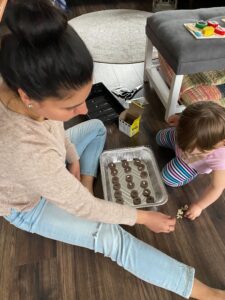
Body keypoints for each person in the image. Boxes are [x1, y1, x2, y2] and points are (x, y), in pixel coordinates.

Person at [0, 1, 224, 299]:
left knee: (93, 128)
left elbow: (50, 126)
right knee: (109, 236)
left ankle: (87, 184)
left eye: (83, 97)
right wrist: (145, 218)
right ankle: (207, 293)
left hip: (47, 165)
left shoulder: (22, 90)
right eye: (70, 106)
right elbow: (85, 207)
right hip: (27, 203)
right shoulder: (24, 149)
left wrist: (74, 157)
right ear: (28, 96)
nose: (82, 109)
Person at [156, 101, 225, 221]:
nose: (186, 150)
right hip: (180, 139)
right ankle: (183, 141)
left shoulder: (220, 157)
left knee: (167, 178)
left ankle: (191, 174)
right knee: (158, 137)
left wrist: (199, 206)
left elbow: (217, 187)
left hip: (191, 164)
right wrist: (180, 121)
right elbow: (189, 119)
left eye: (197, 152)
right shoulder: (191, 124)